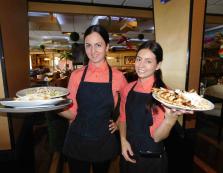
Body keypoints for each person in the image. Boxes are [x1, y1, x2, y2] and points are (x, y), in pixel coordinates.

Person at [58, 25, 127, 173]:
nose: (93, 51)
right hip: (77, 139)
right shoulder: (76, 75)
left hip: (103, 141)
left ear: (107, 47)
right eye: (88, 45)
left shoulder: (118, 77)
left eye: (98, 45)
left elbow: (129, 104)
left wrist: (119, 122)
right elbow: (73, 113)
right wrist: (52, 106)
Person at [119, 41, 193, 173]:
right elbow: (123, 118)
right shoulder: (127, 88)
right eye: (139, 59)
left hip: (151, 160)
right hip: (128, 152)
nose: (141, 65)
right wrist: (123, 141)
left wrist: (169, 120)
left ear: (158, 65)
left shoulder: (164, 94)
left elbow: (157, 137)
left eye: (148, 61)